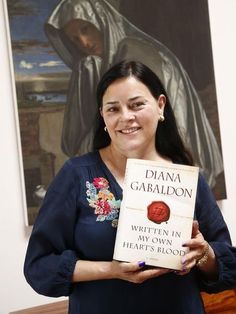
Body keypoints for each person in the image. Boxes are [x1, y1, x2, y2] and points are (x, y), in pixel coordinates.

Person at [24, 60, 236, 314]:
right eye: (113, 109)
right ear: (103, 116)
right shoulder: (76, 175)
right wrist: (111, 270)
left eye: (136, 105)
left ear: (160, 106)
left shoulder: (188, 178)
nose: (126, 117)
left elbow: (227, 269)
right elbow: (39, 266)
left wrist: (204, 254)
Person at [45, 0, 223, 188]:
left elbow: (165, 127)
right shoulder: (97, 65)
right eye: (73, 39)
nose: (82, 42)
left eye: (86, 29)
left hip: (168, 168)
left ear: (101, 21)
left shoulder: (135, 54)